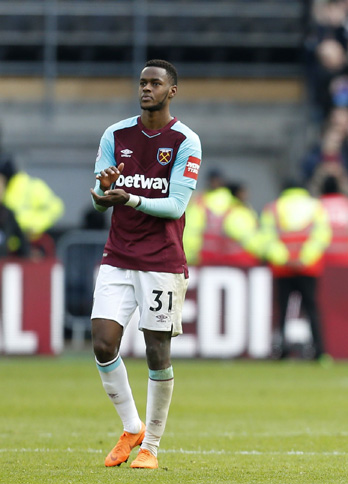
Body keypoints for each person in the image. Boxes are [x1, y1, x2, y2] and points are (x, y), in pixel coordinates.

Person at [89, 59, 202, 470]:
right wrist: (103, 192)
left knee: (157, 352)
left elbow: (175, 205)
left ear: (172, 91)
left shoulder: (186, 141)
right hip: (118, 255)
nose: (145, 89)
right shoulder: (114, 135)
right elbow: (99, 197)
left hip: (161, 261)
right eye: (142, 82)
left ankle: (151, 446)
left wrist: (129, 198)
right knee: (102, 343)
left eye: (155, 83)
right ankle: (131, 426)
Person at [259, 179, 332, 361]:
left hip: (282, 268)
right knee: (311, 309)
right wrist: (303, 259)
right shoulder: (316, 207)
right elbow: (322, 236)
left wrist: (285, 259)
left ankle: (280, 351)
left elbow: (267, 238)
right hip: (308, 267)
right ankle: (320, 352)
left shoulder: (273, 208)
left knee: (282, 310)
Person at [183, 172, 261, 267]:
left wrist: (188, 257)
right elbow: (247, 237)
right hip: (234, 263)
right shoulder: (235, 206)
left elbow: (191, 232)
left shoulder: (200, 202)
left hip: (203, 260)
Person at [0, 154, 64, 257]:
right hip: (11, 244)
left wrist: (36, 225)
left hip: (31, 242)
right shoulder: (8, 188)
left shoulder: (31, 186)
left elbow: (56, 207)